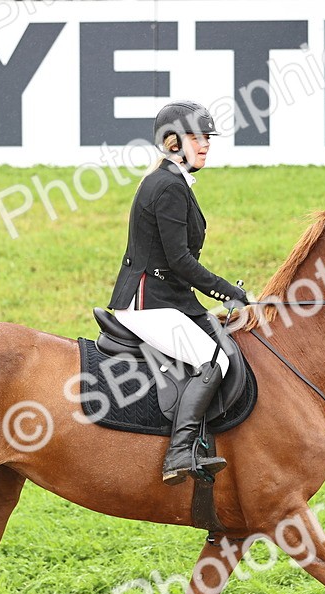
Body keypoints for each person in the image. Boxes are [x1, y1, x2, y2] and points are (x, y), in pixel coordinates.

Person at [108, 101, 248, 486]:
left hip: (168, 297)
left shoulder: (172, 181)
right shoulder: (167, 186)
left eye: (207, 138)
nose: (205, 144)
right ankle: (179, 453)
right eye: (195, 137)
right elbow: (181, 261)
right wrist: (227, 293)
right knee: (213, 362)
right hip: (147, 303)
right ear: (172, 142)